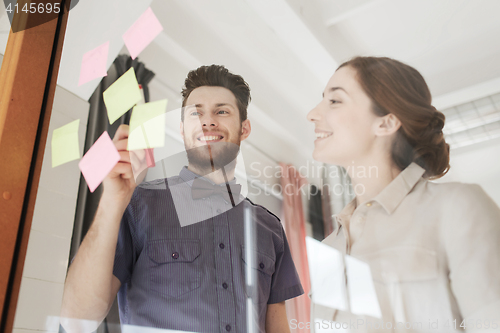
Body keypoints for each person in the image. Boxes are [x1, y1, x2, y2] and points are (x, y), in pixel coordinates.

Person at [60, 65, 303, 333]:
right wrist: (112, 201)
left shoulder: (270, 229)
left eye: (222, 111)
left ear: (244, 128)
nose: (207, 121)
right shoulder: (138, 206)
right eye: (195, 113)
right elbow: (75, 321)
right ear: (182, 128)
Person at [307, 56, 500, 331]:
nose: (312, 113)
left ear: (386, 123)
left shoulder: (457, 207)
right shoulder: (328, 249)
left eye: (335, 101)